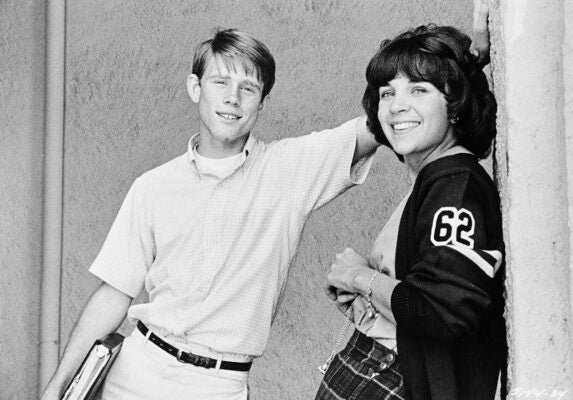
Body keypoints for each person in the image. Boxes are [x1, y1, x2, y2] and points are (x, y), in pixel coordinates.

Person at [42, 28, 378, 400]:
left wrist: (419, 79)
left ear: (262, 102)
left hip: (219, 385)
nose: (232, 99)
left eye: (248, 88)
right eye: (220, 82)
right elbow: (114, 294)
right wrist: (57, 387)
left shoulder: (288, 170)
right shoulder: (153, 187)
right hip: (137, 370)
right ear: (195, 88)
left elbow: (374, 127)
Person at [315, 23, 505, 400]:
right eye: (388, 92)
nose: (396, 105)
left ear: (455, 106)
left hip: (394, 378)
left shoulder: (455, 183)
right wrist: (368, 293)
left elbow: (440, 310)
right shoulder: (434, 178)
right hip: (377, 367)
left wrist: (360, 278)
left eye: (419, 89)